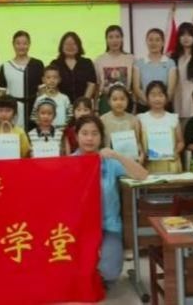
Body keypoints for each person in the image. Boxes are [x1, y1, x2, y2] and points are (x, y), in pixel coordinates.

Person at [72, 114, 147, 284]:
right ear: (76, 136)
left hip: (107, 226)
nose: (89, 138)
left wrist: (116, 155)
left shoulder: (110, 162)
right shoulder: (68, 163)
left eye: (94, 133)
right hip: (78, 228)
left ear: (101, 137)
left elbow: (142, 175)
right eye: (84, 133)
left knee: (109, 273)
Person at [0, 30, 45, 129]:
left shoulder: (37, 64)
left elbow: (42, 91)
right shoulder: (6, 66)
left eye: (25, 43)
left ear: (29, 44)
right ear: (13, 45)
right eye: (18, 43)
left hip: (33, 108)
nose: (21, 46)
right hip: (13, 110)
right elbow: (1, 94)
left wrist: (41, 109)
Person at [138, 80, 184, 174]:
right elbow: (138, 142)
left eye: (161, 95)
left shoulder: (173, 118)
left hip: (170, 164)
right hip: (149, 165)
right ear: (147, 98)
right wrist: (142, 153)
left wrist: (175, 152)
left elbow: (181, 142)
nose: (157, 99)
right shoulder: (141, 118)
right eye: (153, 95)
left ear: (166, 98)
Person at [132, 28, 177, 113]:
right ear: (146, 42)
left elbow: (170, 90)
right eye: (150, 40)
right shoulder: (139, 63)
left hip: (165, 107)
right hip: (144, 107)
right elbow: (137, 88)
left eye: (157, 40)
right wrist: (150, 103)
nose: (153, 43)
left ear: (163, 43)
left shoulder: (170, 63)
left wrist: (160, 104)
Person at [94, 25, 135, 115]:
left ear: (122, 38)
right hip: (106, 102)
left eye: (117, 36)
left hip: (126, 101)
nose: (114, 40)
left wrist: (135, 106)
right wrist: (95, 108)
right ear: (106, 39)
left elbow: (134, 86)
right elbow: (97, 87)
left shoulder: (131, 59)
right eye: (111, 37)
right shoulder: (99, 60)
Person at [50, 31, 97, 106]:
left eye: (74, 44)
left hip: (83, 106)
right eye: (67, 44)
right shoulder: (55, 64)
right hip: (61, 105)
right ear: (61, 46)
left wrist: (83, 102)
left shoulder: (86, 63)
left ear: (79, 46)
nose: (70, 47)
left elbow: (91, 84)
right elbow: (51, 83)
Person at [100, 86, 142, 161]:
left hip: (130, 161)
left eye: (122, 99)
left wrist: (141, 155)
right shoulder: (102, 120)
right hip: (109, 161)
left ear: (127, 101)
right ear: (109, 101)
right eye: (115, 99)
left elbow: (138, 143)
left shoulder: (134, 120)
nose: (119, 102)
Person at [30, 65, 71, 131]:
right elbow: (33, 116)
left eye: (55, 77)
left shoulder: (64, 98)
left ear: (59, 79)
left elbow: (70, 115)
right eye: (48, 77)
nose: (52, 80)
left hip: (61, 132)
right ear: (43, 80)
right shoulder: (40, 99)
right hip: (45, 132)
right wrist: (44, 126)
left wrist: (63, 128)